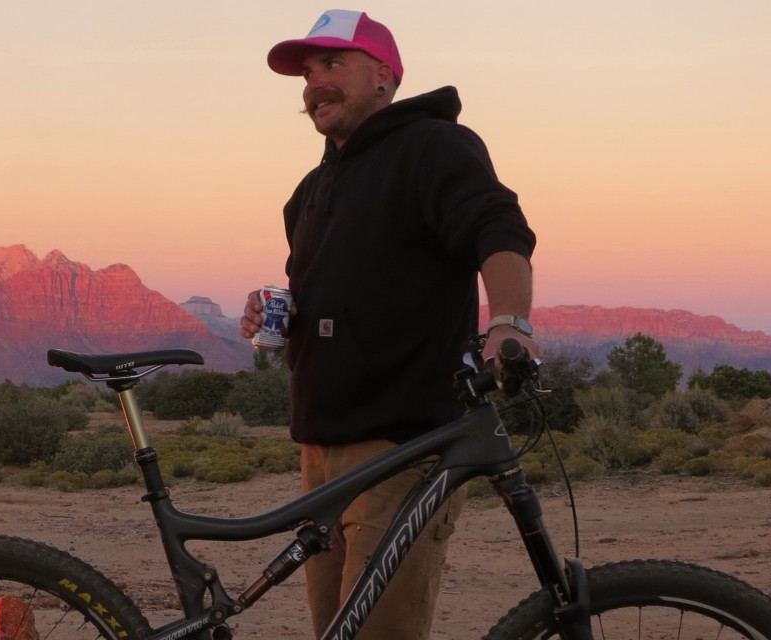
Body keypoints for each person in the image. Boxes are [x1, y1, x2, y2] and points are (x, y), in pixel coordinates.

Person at [239, 9, 541, 639]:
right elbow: (341, 294)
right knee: (336, 631)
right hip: (319, 453)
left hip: (402, 449)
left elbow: (498, 227)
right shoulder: (309, 190)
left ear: (383, 75)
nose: (313, 83)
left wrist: (508, 324)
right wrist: (281, 313)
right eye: (306, 72)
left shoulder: (434, 147)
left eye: (330, 64)